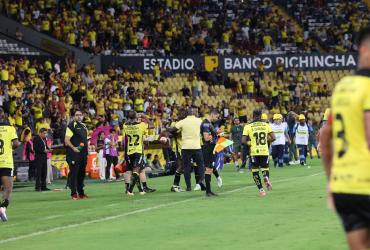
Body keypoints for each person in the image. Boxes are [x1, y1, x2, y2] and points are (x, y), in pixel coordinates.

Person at [320, 27, 370, 250]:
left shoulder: (342, 87)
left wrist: (331, 181)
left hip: (344, 187)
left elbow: (325, 137)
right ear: (365, 49)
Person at [169, 107, 207, 194]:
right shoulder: (199, 120)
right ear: (194, 113)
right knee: (201, 166)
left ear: (187, 113)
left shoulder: (182, 121)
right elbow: (205, 129)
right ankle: (201, 181)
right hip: (197, 147)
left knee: (186, 167)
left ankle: (189, 187)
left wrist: (169, 129)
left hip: (185, 147)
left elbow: (172, 130)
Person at [242, 109, 275, 197]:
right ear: (261, 116)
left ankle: (261, 190)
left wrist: (250, 143)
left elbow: (243, 141)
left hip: (254, 151)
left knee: (255, 171)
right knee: (265, 168)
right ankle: (266, 177)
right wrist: (267, 141)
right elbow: (274, 137)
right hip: (264, 150)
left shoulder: (248, 126)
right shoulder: (266, 125)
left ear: (253, 116)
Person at [0, 108, 20, 221]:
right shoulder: (10, 128)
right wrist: (11, 147)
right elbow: (16, 143)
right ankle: (3, 208)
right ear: (3, 115)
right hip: (6, 162)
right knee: (8, 189)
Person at [65, 109, 89, 200]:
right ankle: (73, 194)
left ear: (82, 116)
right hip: (74, 154)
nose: (79, 116)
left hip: (83, 154)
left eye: (80, 115)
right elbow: (66, 140)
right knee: (74, 173)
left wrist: (87, 150)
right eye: (77, 115)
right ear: (74, 116)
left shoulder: (84, 126)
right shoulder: (71, 126)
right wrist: (74, 148)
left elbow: (84, 140)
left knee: (81, 174)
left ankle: (81, 193)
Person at [198, 108, 222, 195]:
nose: (217, 118)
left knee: (209, 169)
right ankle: (208, 191)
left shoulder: (209, 124)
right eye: (216, 116)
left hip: (211, 147)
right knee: (208, 169)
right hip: (208, 148)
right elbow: (206, 138)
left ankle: (208, 191)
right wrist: (215, 134)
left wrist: (216, 133)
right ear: (212, 114)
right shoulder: (206, 124)